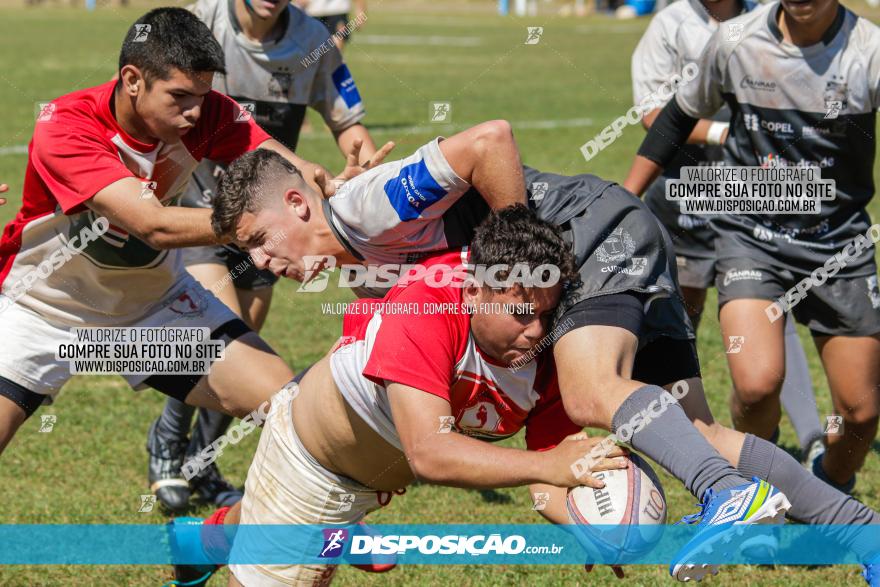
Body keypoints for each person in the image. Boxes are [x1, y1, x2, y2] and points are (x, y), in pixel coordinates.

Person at [193, 151, 880, 581]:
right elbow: (549, 466)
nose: (264, 264)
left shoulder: (369, 214)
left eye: (260, 243)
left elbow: (490, 137)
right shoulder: (418, 289)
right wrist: (593, 518)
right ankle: (862, 533)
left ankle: (723, 491)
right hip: (602, 241)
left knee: (590, 390)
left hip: (581, 235)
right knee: (691, 427)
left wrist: (517, 247)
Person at [0, 8, 519, 459]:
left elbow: (290, 168)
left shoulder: (209, 115)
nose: (195, 113)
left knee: (294, 410)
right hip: (42, 314)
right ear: (132, 79)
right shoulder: (65, 125)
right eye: (179, 97)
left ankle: (258, 535)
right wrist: (259, 229)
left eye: (203, 96)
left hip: (146, 317)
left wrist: (331, 188)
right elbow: (152, 225)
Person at [623, 0, 880, 494]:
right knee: (757, 383)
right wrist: (624, 196)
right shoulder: (736, 40)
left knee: (862, 410)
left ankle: (829, 480)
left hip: (838, 242)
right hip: (750, 232)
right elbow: (677, 116)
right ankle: (756, 488)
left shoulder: (867, 50)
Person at [146, 0, 380, 513]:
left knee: (243, 338)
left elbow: (347, 121)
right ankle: (165, 449)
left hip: (270, 225)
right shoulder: (200, 20)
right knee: (220, 328)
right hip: (201, 212)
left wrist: (362, 167)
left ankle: (201, 463)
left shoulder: (313, 40)